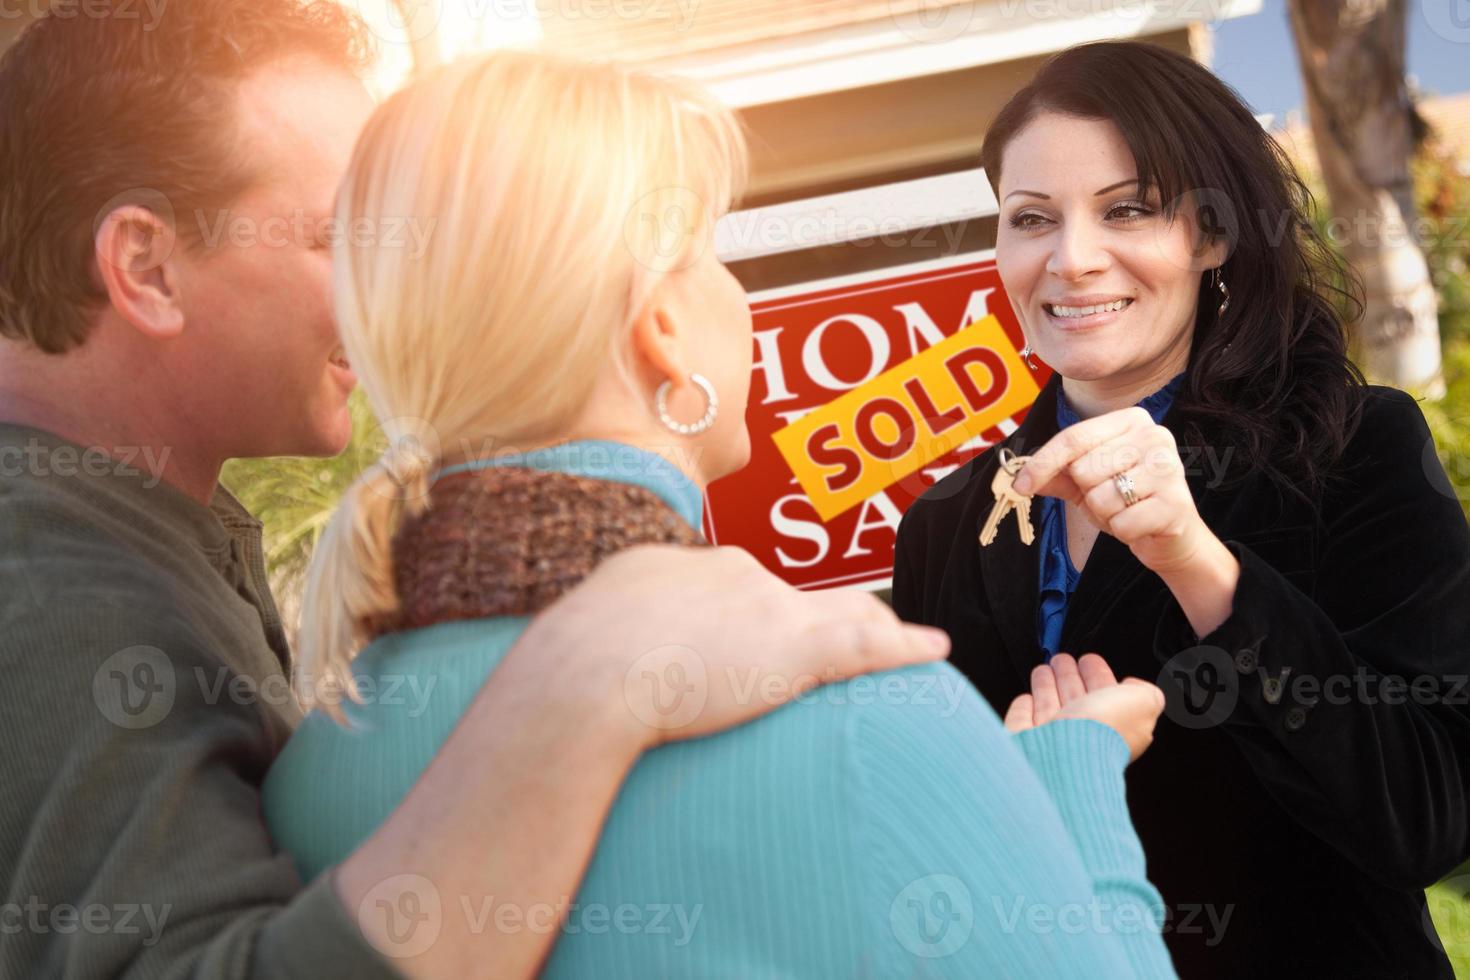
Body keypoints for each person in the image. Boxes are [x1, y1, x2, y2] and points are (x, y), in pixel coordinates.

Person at [0, 3, 954, 978]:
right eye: (341, 238)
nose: (386, 289)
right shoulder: (46, 590)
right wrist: (581, 680)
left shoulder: (121, 529)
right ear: (146, 268)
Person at [261, 49, 1179, 978]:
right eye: (712, 258)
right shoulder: (862, 708)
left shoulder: (309, 769)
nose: (734, 297)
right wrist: (1072, 785)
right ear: (661, 331)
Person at [892, 40, 1470, 979]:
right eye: (1031, 218)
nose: (1072, 259)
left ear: (1212, 235)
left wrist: (1200, 564)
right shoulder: (948, 527)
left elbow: (1428, 820)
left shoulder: (1353, 447)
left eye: (1128, 209)